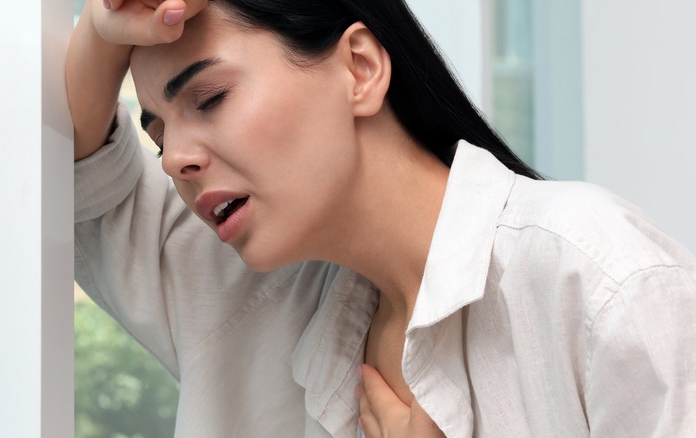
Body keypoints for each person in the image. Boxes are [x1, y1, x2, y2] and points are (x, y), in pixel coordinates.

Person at [67, 0, 696, 436]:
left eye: (210, 98)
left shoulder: (599, 282)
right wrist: (103, 27)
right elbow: (74, 174)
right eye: (157, 136)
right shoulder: (247, 305)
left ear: (360, 68)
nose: (175, 159)